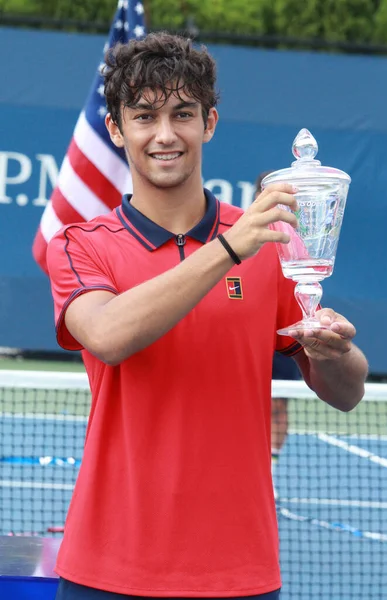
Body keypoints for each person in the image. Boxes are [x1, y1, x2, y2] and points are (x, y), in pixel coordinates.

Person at [47, 32, 368, 600]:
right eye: (144, 116)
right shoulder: (80, 245)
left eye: (183, 113)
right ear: (118, 130)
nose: (165, 134)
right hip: (106, 571)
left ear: (209, 123)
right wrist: (229, 249)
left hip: (238, 575)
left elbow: (345, 392)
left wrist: (336, 351)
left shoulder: (269, 242)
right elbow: (108, 335)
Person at [254, 172, 301, 499]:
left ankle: (268, 472)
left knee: (278, 404)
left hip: (280, 332)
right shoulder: (242, 231)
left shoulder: (295, 235)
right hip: (247, 330)